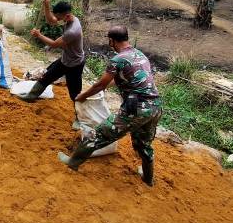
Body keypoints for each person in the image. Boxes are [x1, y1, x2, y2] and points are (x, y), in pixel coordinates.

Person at [57, 26, 162, 187]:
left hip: (136, 107)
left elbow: (100, 85)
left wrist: (83, 95)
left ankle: (72, 162)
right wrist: (105, 86)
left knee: (99, 134)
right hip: (155, 107)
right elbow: (124, 79)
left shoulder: (117, 59)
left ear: (111, 40)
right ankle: (148, 179)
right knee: (144, 144)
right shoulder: (139, 55)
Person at [17, 0, 85, 108]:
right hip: (65, 60)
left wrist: (39, 35)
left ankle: (81, 115)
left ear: (66, 16)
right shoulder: (69, 18)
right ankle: (30, 96)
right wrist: (47, 6)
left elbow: (54, 44)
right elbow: (51, 21)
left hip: (75, 64)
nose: (57, 19)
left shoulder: (73, 31)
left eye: (59, 17)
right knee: (46, 77)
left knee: (75, 93)